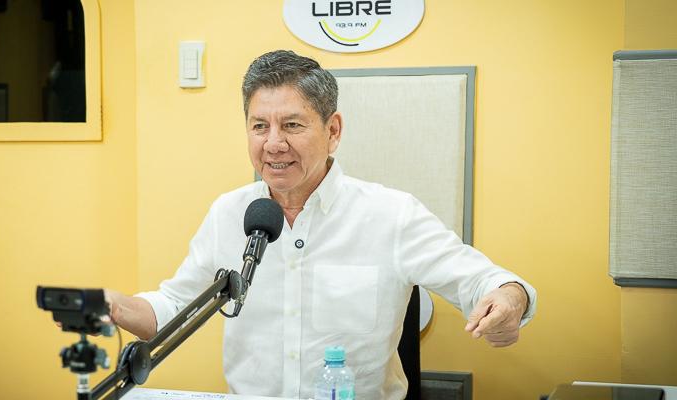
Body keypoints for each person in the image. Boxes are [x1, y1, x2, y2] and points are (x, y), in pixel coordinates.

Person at [104, 50, 537, 400]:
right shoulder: (227, 214)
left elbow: (486, 281)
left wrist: (508, 299)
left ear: (333, 131)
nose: (274, 143)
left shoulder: (391, 214)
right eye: (259, 126)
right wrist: (115, 307)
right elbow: (174, 307)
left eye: (292, 125)